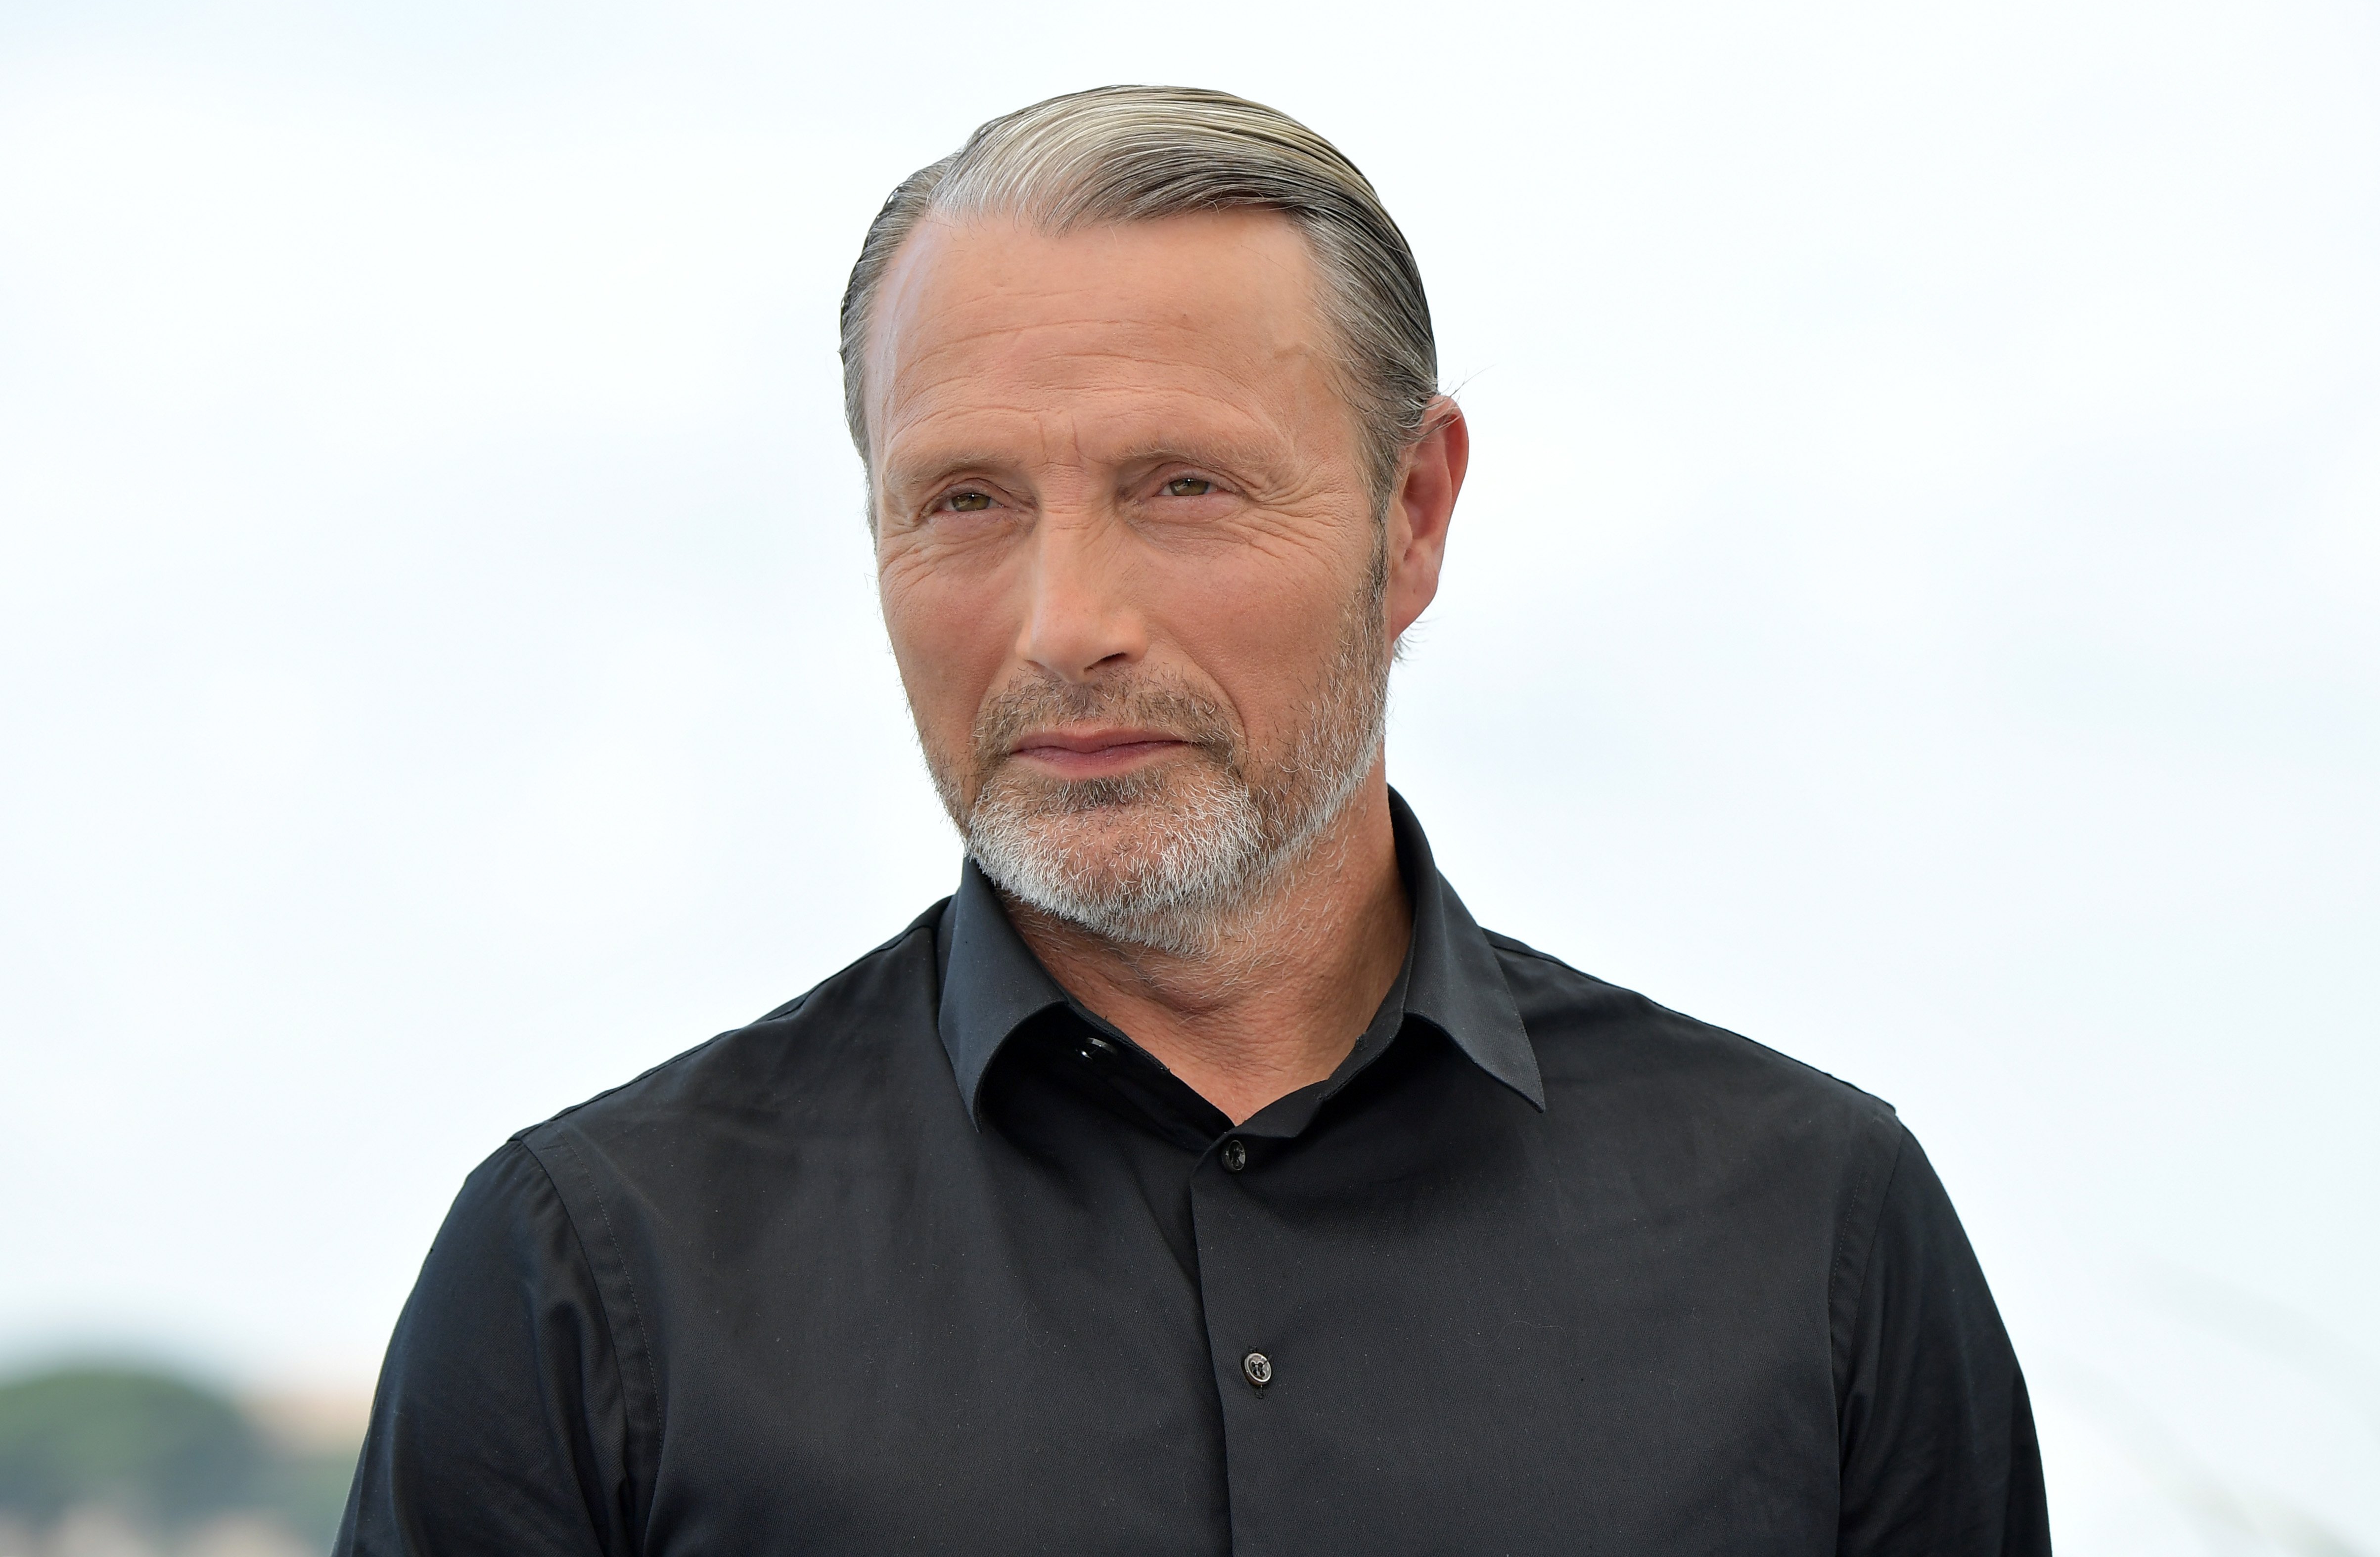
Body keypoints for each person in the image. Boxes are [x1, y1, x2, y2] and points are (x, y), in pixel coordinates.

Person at [337, 85, 2049, 1555]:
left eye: (1182, 487)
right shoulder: (589, 1271)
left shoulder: (1814, 1234)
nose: (1063, 618)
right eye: (964, 501)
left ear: (1416, 514)